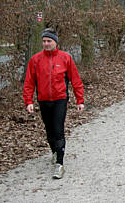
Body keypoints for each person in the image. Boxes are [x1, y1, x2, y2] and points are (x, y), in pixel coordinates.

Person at [23, 28, 84, 179]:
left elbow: (75, 80)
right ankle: (55, 151)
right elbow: (29, 82)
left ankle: (59, 164)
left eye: (49, 41)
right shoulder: (35, 60)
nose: (46, 44)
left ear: (55, 42)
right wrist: (28, 101)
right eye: (44, 41)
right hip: (43, 100)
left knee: (58, 129)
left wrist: (80, 100)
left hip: (60, 99)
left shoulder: (65, 58)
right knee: (49, 131)